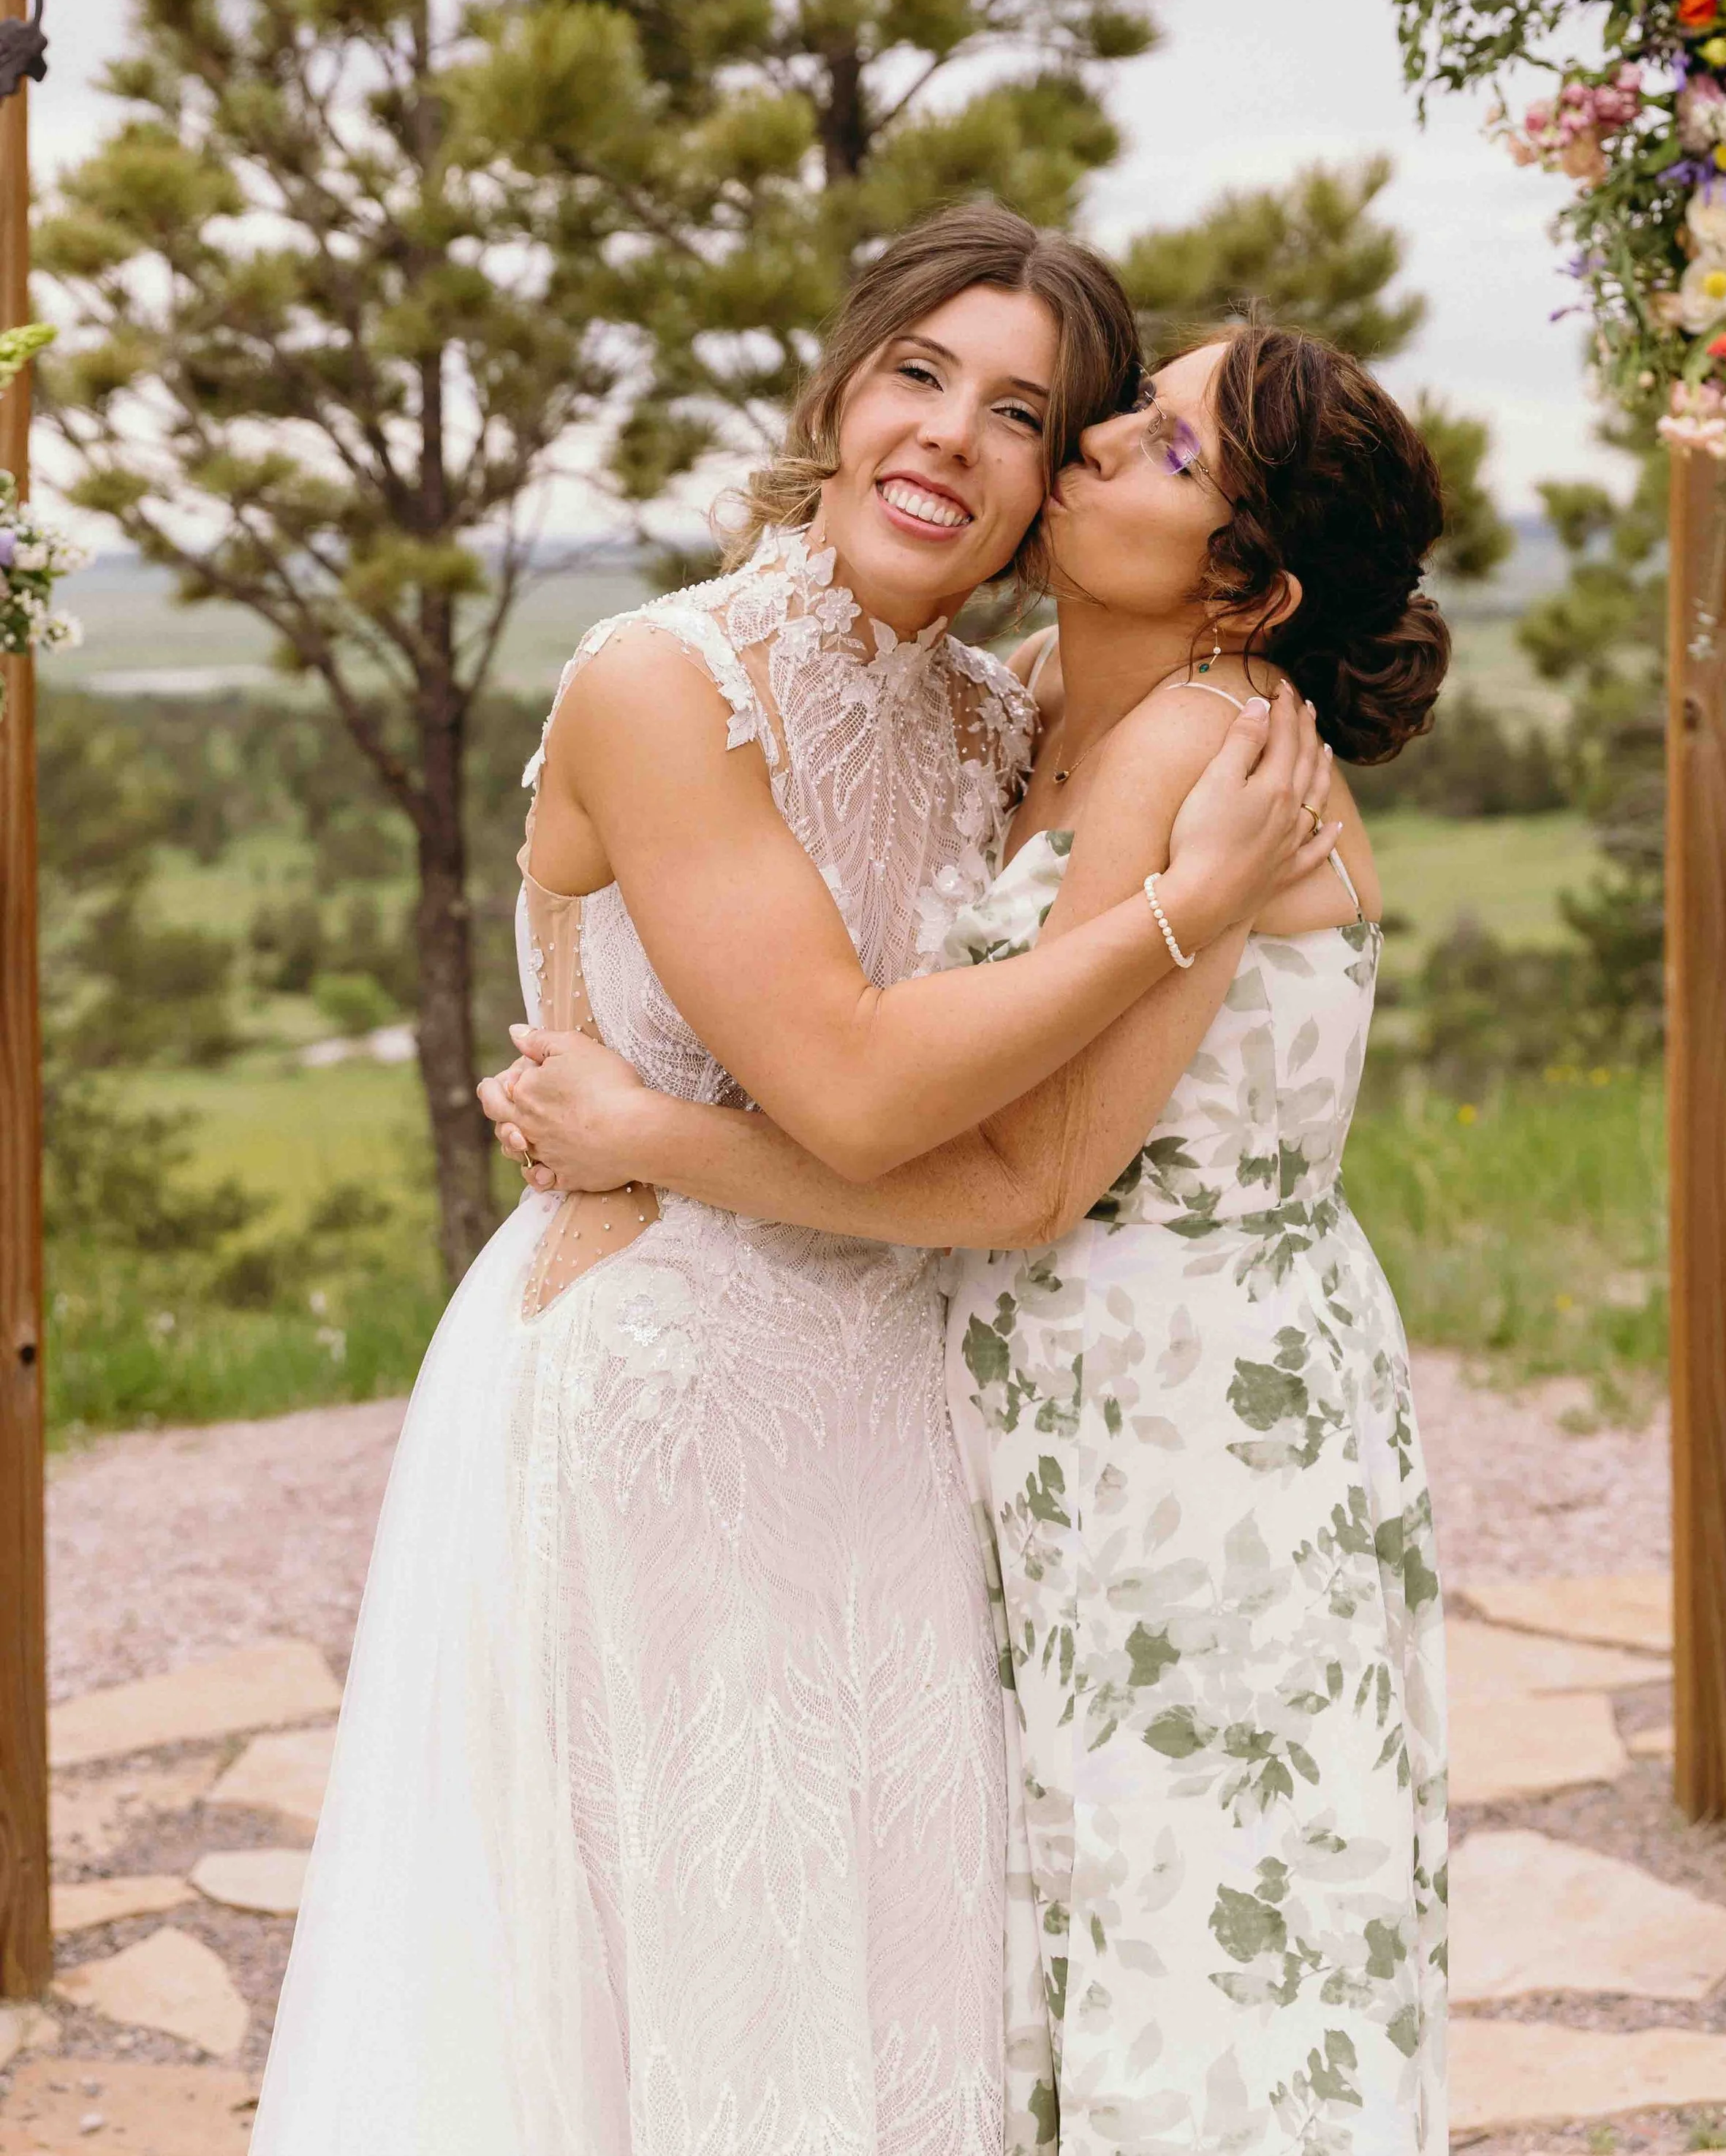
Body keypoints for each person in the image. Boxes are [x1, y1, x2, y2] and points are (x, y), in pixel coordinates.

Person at [252, 213, 1336, 2156]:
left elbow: (1040, 1101)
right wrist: (1177, 914)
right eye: (917, 372)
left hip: (906, 1425)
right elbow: (844, 1083)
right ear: (838, 397)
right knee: (682, 2007)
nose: (949, 435)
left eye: (1022, 412)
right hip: (662, 1413)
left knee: (906, 2008)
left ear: (1050, 481)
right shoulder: (661, 682)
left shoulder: (1001, 717)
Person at [487, 321, 1451, 2156]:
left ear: (1247, 588)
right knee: (1067, 1941)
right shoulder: (1032, 698)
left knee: (1211, 1957)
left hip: (1184, 1421)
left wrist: (652, 1137)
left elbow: (1027, 1181)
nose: (1090, 441)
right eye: (1132, 399)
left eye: (1163, 449)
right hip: (1045, 1393)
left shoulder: (1199, 750)